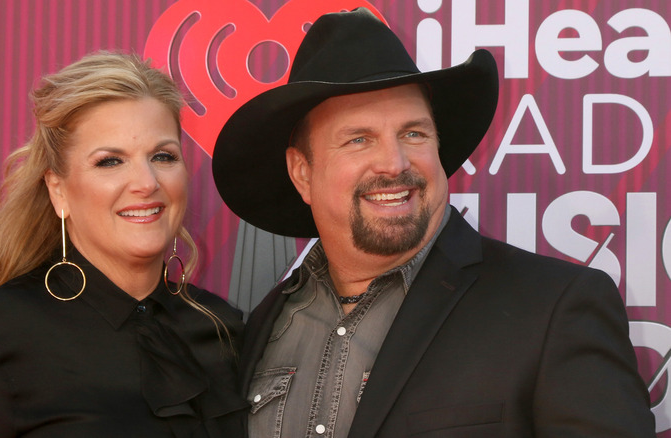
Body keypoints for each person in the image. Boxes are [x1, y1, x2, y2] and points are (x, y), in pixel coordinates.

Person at [211, 8, 655, 438]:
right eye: (359, 139)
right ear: (302, 172)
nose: (394, 162)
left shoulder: (555, 307)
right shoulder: (261, 326)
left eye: (413, 133)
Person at [0, 52, 246, 437]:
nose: (147, 182)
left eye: (163, 156)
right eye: (110, 162)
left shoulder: (221, 327)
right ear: (58, 190)